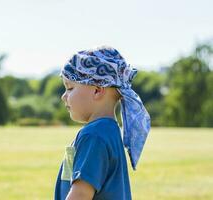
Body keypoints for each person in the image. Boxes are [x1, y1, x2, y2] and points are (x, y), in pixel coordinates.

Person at [54, 46, 151, 200]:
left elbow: (81, 195)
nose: (64, 96)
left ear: (97, 90)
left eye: (70, 88)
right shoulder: (109, 131)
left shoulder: (94, 136)